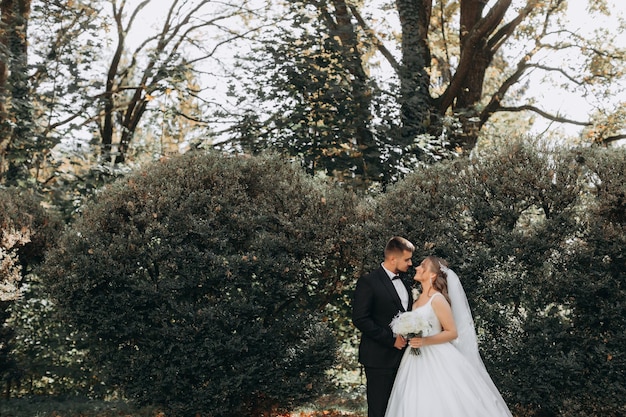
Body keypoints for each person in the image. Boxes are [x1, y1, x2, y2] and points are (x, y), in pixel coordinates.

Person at [384, 256, 513, 417]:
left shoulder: (437, 299)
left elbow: (452, 332)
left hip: (437, 356)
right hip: (415, 358)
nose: (416, 268)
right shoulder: (416, 300)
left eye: (422, 266)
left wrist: (424, 341)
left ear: (432, 275)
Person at [352, 236, 415, 417]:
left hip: (406, 358)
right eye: (407, 259)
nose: (410, 263)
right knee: (379, 410)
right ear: (393, 258)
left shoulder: (406, 282)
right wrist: (391, 340)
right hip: (379, 358)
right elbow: (360, 318)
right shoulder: (369, 282)